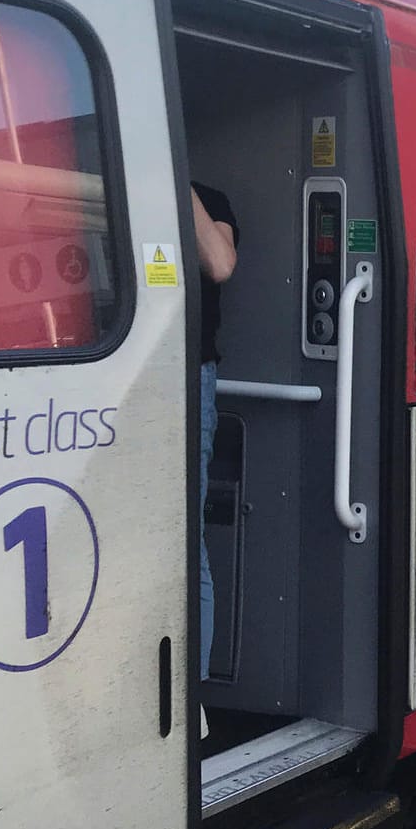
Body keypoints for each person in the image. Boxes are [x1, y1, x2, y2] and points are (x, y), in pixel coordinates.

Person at [190, 183, 239, 703]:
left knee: (186, 538)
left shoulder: (210, 200)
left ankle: (192, 704)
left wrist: (179, 185)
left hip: (188, 375)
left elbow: (220, 263)